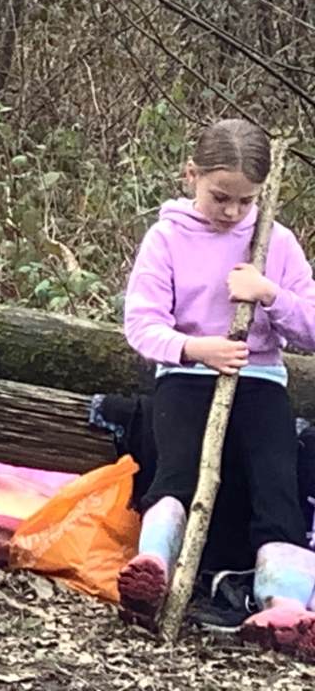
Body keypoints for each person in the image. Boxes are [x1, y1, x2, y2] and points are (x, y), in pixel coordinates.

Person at [116, 118, 315, 659]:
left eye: (245, 201)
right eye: (220, 197)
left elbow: (310, 327)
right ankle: (153, 567)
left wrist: (270, 295)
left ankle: (284, 603)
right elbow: (142, 325)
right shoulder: (166, 238)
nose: (231, 212)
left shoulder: (277, 243)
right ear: (192, 176)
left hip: (259, 379)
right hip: (185, 376)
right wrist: (194, 348)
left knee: (276, 479)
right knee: (176, 468)